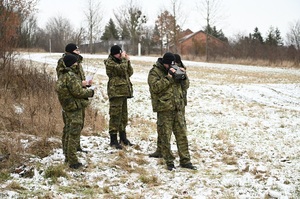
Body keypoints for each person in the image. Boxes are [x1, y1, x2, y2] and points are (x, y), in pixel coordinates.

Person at [147, 52, 196, 171]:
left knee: (182, 136)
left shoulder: (175, 68)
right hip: (165, 109)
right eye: (169, 65)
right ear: (165, 64)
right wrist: (168, 77)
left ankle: (185, 160)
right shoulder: (155, 72)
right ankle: (169, 161)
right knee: (165, 136)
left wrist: (183, 76)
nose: (171, 67)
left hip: (178, 108)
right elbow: (155, 88)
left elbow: (185, 86)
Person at [55, 54, 95, 169]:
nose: (77, 64)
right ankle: (73, 161)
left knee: (68, 131)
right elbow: (78, 92)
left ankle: (67, 157)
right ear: (72, 64)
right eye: (75, 62)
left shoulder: (62, 75)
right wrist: (90, 92)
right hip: (74, 108)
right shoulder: (71, 76)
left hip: (67, 108)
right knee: (73, 133)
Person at [104, 45, 134, 149]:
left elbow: (129, 72)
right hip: (116, 92)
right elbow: (121, 70)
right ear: (114, 54)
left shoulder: (121, 62)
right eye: (119, 54)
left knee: (123, 116)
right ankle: (113, 140)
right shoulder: (110, 62)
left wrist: (128, 62)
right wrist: (124, 60)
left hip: (123, 92)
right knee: (115, 116)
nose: (120, 55)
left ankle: (123, 138)